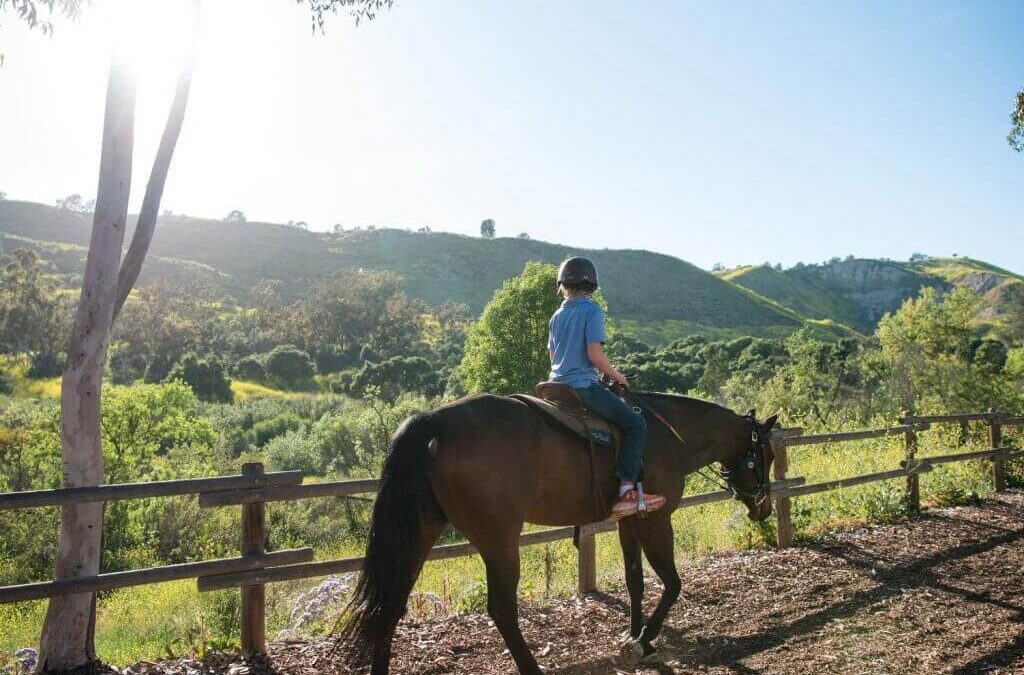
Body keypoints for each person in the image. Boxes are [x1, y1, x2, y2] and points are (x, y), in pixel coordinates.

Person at [548, 257, 665, 519]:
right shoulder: (592, 311)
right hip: (582, 386)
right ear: (591, 284)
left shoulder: (557, 315)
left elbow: (553, 356)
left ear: (564, 284)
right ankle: (626, 492)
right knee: (636, 425)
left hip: (554, 386)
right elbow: (594, 354)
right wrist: (616, 376)